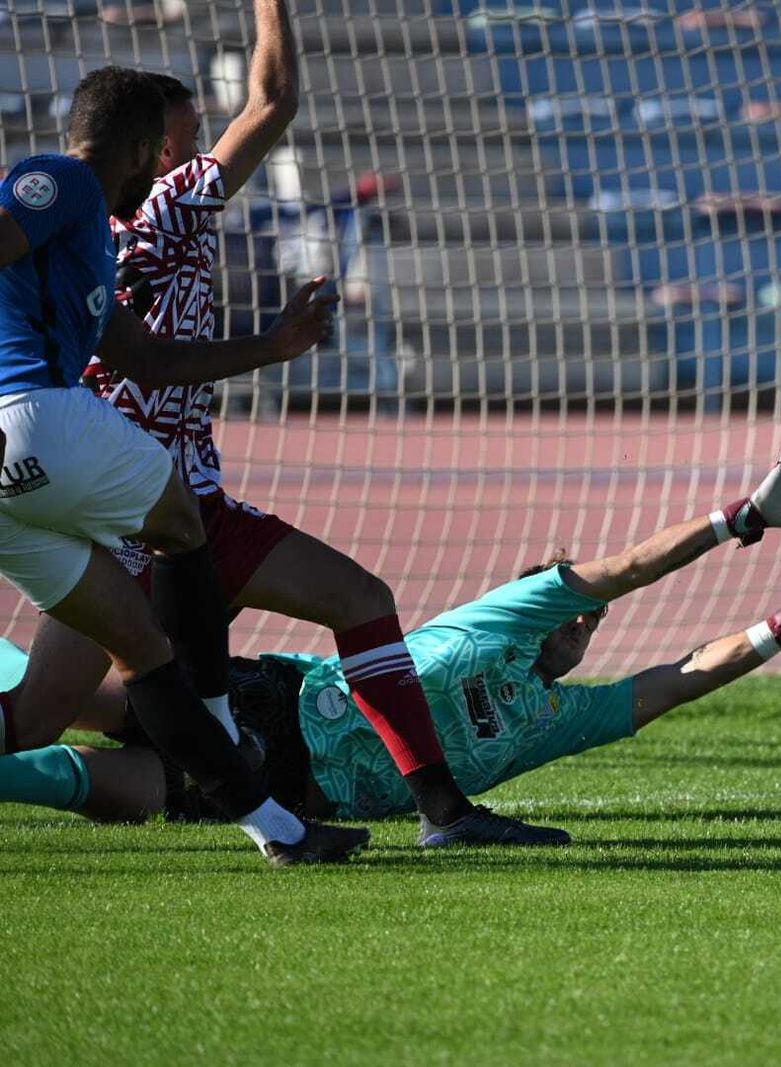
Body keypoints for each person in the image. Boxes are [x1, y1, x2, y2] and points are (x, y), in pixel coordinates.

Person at [13, 1, 547, 847]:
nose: (193, 152)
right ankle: (294, 787)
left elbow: (127, 356)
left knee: (355, 601)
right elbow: (274, 101)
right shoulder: (172, 207)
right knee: (104, 701)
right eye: (184, 135)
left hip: (146, 501)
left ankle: (432, 810)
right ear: (148, 150)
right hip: (140, 509)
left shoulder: (73, 242)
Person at [0, 436, 781, 829]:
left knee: (90, 788)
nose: (586, 621)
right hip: (278, 697)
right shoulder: (504, 622)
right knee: (85, 704)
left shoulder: (560, 721)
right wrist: (736, 518)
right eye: (576, 607)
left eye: (595, 624)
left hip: (297, 790)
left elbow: (682, 676)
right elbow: (626, 567)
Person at [0, 65, 366, 864]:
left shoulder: (88, 244)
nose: (168, 165)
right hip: (31, 417)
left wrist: (270, 348)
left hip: (10, 477)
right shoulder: (57, 179)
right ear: (138, 148)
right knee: (179, 509)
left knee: (84, 686)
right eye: (161, 151)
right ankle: (219, 711)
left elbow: (149, 360)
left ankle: (278, 831)